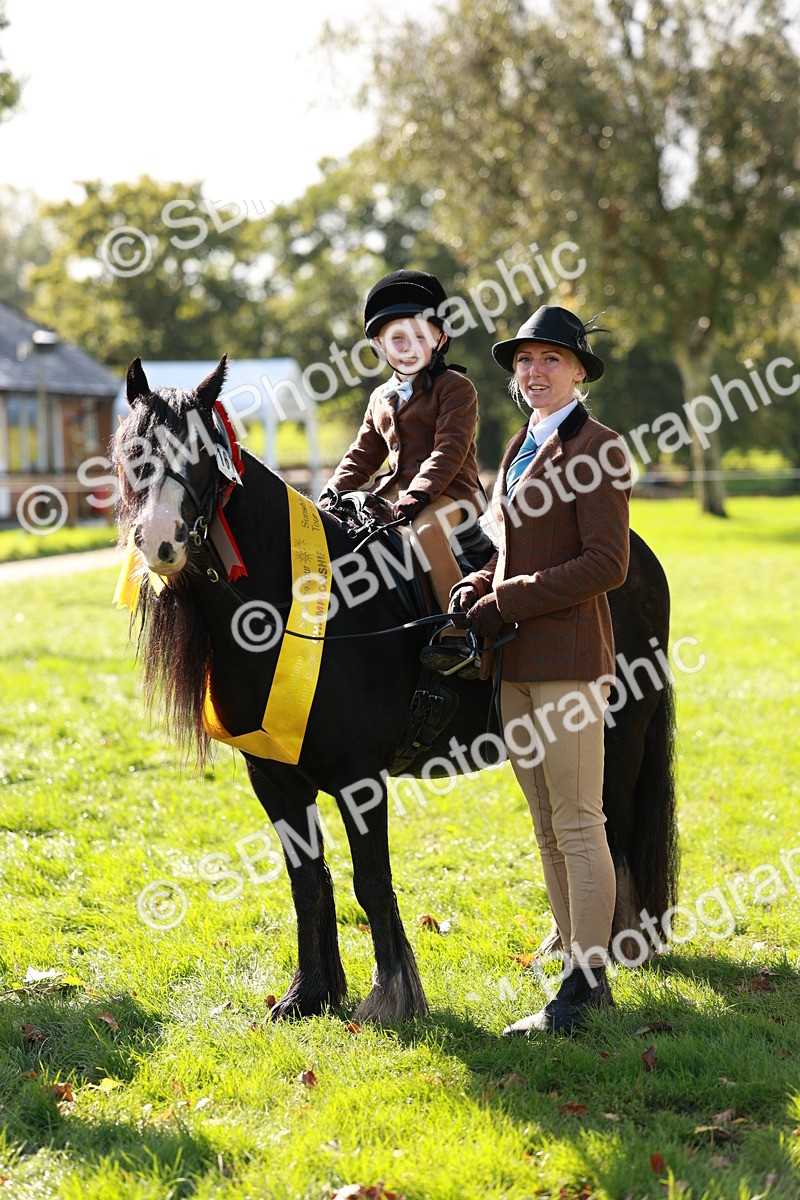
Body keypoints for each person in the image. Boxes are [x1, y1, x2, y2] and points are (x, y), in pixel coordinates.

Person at [450, 305, 631, 1035]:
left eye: (550, 359)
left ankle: (587, 990)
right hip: (516, 661)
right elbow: (512, 545)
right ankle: (571, 965)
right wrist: (480, 580)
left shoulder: (601, 447)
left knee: (580, 822)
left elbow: (606, 564)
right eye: (524, 361)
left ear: (581, 371)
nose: (533, 372)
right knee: (546, 823)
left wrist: (507, 597)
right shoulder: (522, 444)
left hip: (568, 662)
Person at [320, 269, 485, 674]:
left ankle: (458, 632)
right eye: (397, 338)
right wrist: (331, 492)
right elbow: (363, 453)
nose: (408, 348)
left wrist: (420, 494)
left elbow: (449, 449)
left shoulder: (456, 388)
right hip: (395, 500)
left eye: (420, 336)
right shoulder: (380, 398)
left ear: (440, 339)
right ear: (379, 344)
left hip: (453, 496)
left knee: (427, 527)